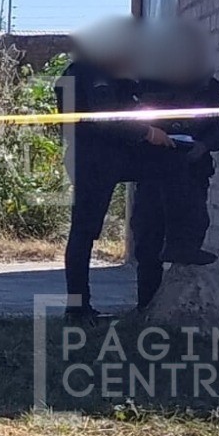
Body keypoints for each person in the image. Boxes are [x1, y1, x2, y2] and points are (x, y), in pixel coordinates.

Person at [55, 18, 175, 319]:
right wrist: (147, 133)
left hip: (110, 154)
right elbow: (106, 117)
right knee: (84, 230)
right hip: (96, 157)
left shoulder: (105, 68)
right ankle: (78, 308)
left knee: (155, 190)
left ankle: (147, 299)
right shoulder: (97, 71)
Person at [129, 19, 219, 308]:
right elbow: (131, 123)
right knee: (148, 241)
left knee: (189, 232)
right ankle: (146, 308)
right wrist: (150, 137)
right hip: (154, 168)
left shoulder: (209, 87)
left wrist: (204, 146)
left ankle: (186, 307)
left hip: (192, 165)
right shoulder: (148, 82)